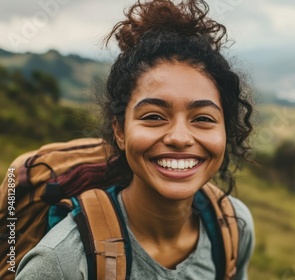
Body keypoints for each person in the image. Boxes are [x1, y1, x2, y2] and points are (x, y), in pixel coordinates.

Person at [15, 0, 255, 279]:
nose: (179, 138)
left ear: (225, 131)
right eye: (154, 116)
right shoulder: (61, 262)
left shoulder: (232, 228)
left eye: (203, 118)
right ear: (120, 131)